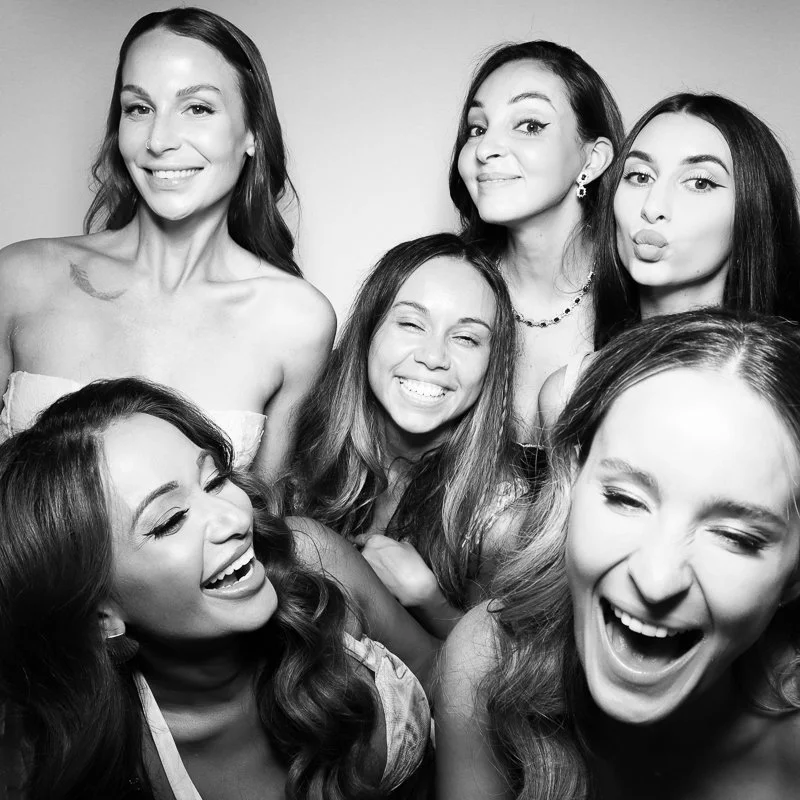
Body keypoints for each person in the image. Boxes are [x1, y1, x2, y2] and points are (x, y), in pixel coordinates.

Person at [0, 377, 436, 800]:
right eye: (170, 520)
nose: (235, 519)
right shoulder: (110, 766)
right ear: (100, 616)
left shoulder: (308, 555)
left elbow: (440, 672)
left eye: (213, 481)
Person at [436, 310, 800, 800]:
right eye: (626, 500)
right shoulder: (487, 660)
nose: (655, 580)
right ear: (572, 486)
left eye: (735, 536)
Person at [0, 7, 335, 478]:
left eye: (197, 108)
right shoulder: (18, 279)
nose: (159, 140)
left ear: (252, 134)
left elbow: (266, 523)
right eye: (139, 108)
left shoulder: (297, 322)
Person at [290, 233, 525, 639]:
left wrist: (428, 598)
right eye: (412, 324)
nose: (433, 357)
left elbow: (492, 686)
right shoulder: (304, 437)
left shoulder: (503, 516)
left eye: (467, 338)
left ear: (492, 364)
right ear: (369, 331)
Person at [539, 93, 800, 428]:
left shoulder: (786, 388)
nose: (653, 206)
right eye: (640, 176)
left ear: (755, 211)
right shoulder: (569, 393)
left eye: (700, 182)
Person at [450, 41, 623, 445]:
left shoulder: (642, 297)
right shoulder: (445, 286)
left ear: (593, 159)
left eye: (529, 125)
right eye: (478, 128)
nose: (486, 149)